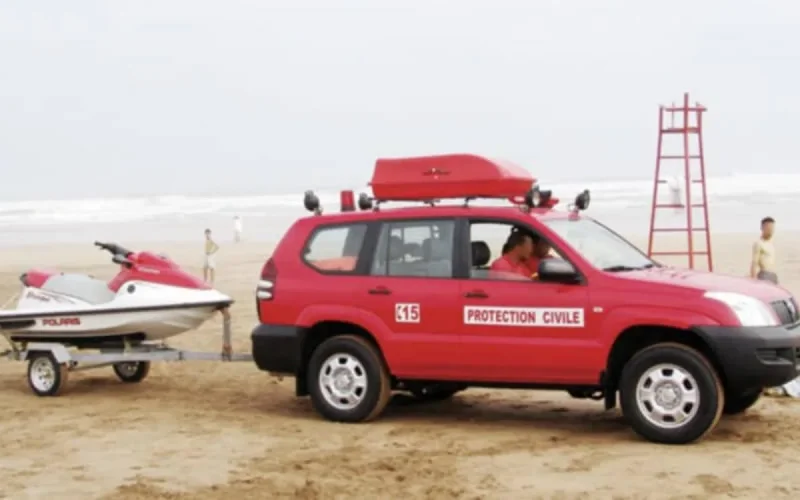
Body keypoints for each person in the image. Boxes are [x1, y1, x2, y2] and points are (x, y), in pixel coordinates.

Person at [750, 217, 777, 284]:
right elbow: (754, 263)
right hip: (764, 275)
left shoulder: (771, 244)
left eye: (772, 228)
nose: (770, 230)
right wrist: (754, 280)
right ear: (762, 228)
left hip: (773, 275)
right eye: (768, 228)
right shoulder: (759, 244)